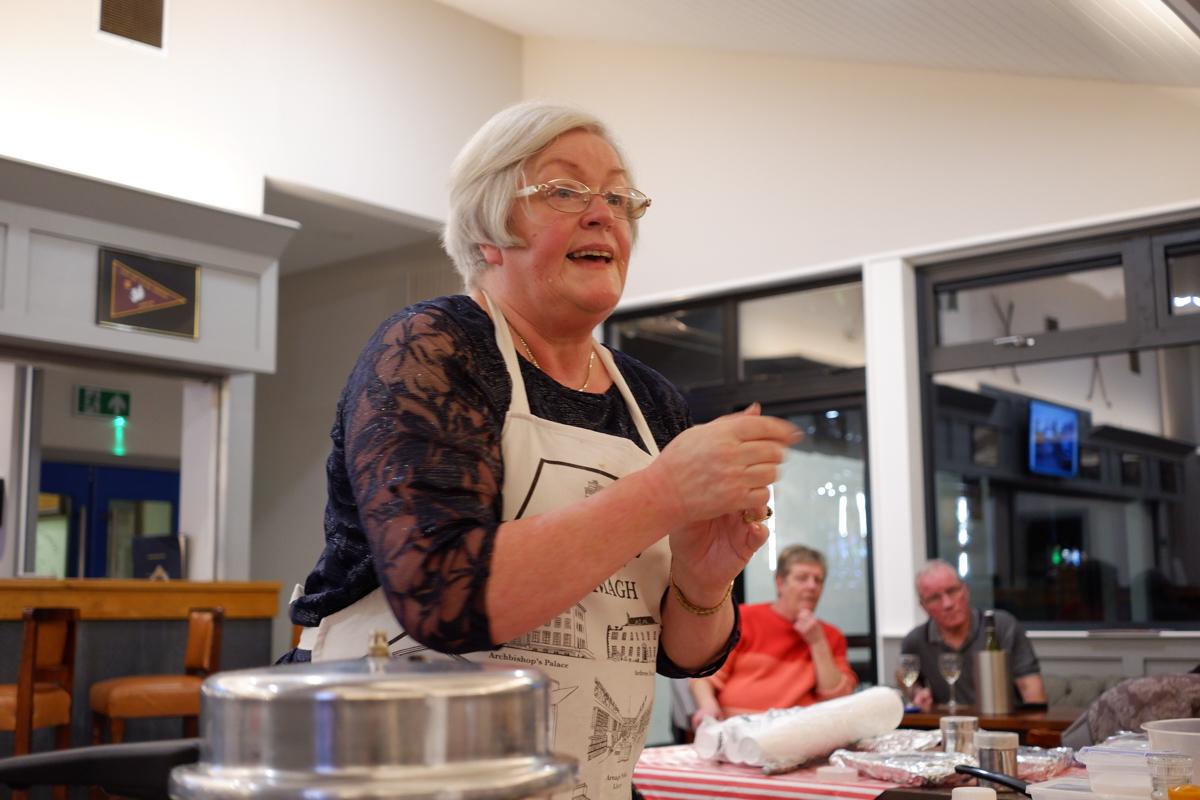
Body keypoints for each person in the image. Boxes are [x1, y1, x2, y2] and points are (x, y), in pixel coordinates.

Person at [278, 100, 800, 799]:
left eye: (619, 197)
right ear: (488, 231)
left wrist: (703, 584)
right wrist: (663, 495)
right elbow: (443, 598)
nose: (603, 214)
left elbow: (683, 656)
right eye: (565, 191)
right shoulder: (432, 348)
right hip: (394, 772)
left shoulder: (650, 400)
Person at [688, 545, 857, 724]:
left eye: (818, 580)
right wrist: (707, 705)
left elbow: (838, 700)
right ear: (780, 583)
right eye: (802, 578)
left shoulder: (831, 636)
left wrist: (817, 642)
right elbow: (705, 676)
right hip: (737, 726)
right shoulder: (744, 618)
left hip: (796, 729)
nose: (812, 586)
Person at [902, 559, 1046, 711]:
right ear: (923, 606)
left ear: (966, 590)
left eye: (952, 591)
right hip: (947, 724)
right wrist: (917, 692)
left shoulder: (1001, 626)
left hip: (1004, 722)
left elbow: (1032, 693)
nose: (947, 604)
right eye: (934, 598)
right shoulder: (915, 641)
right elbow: (903, 676)